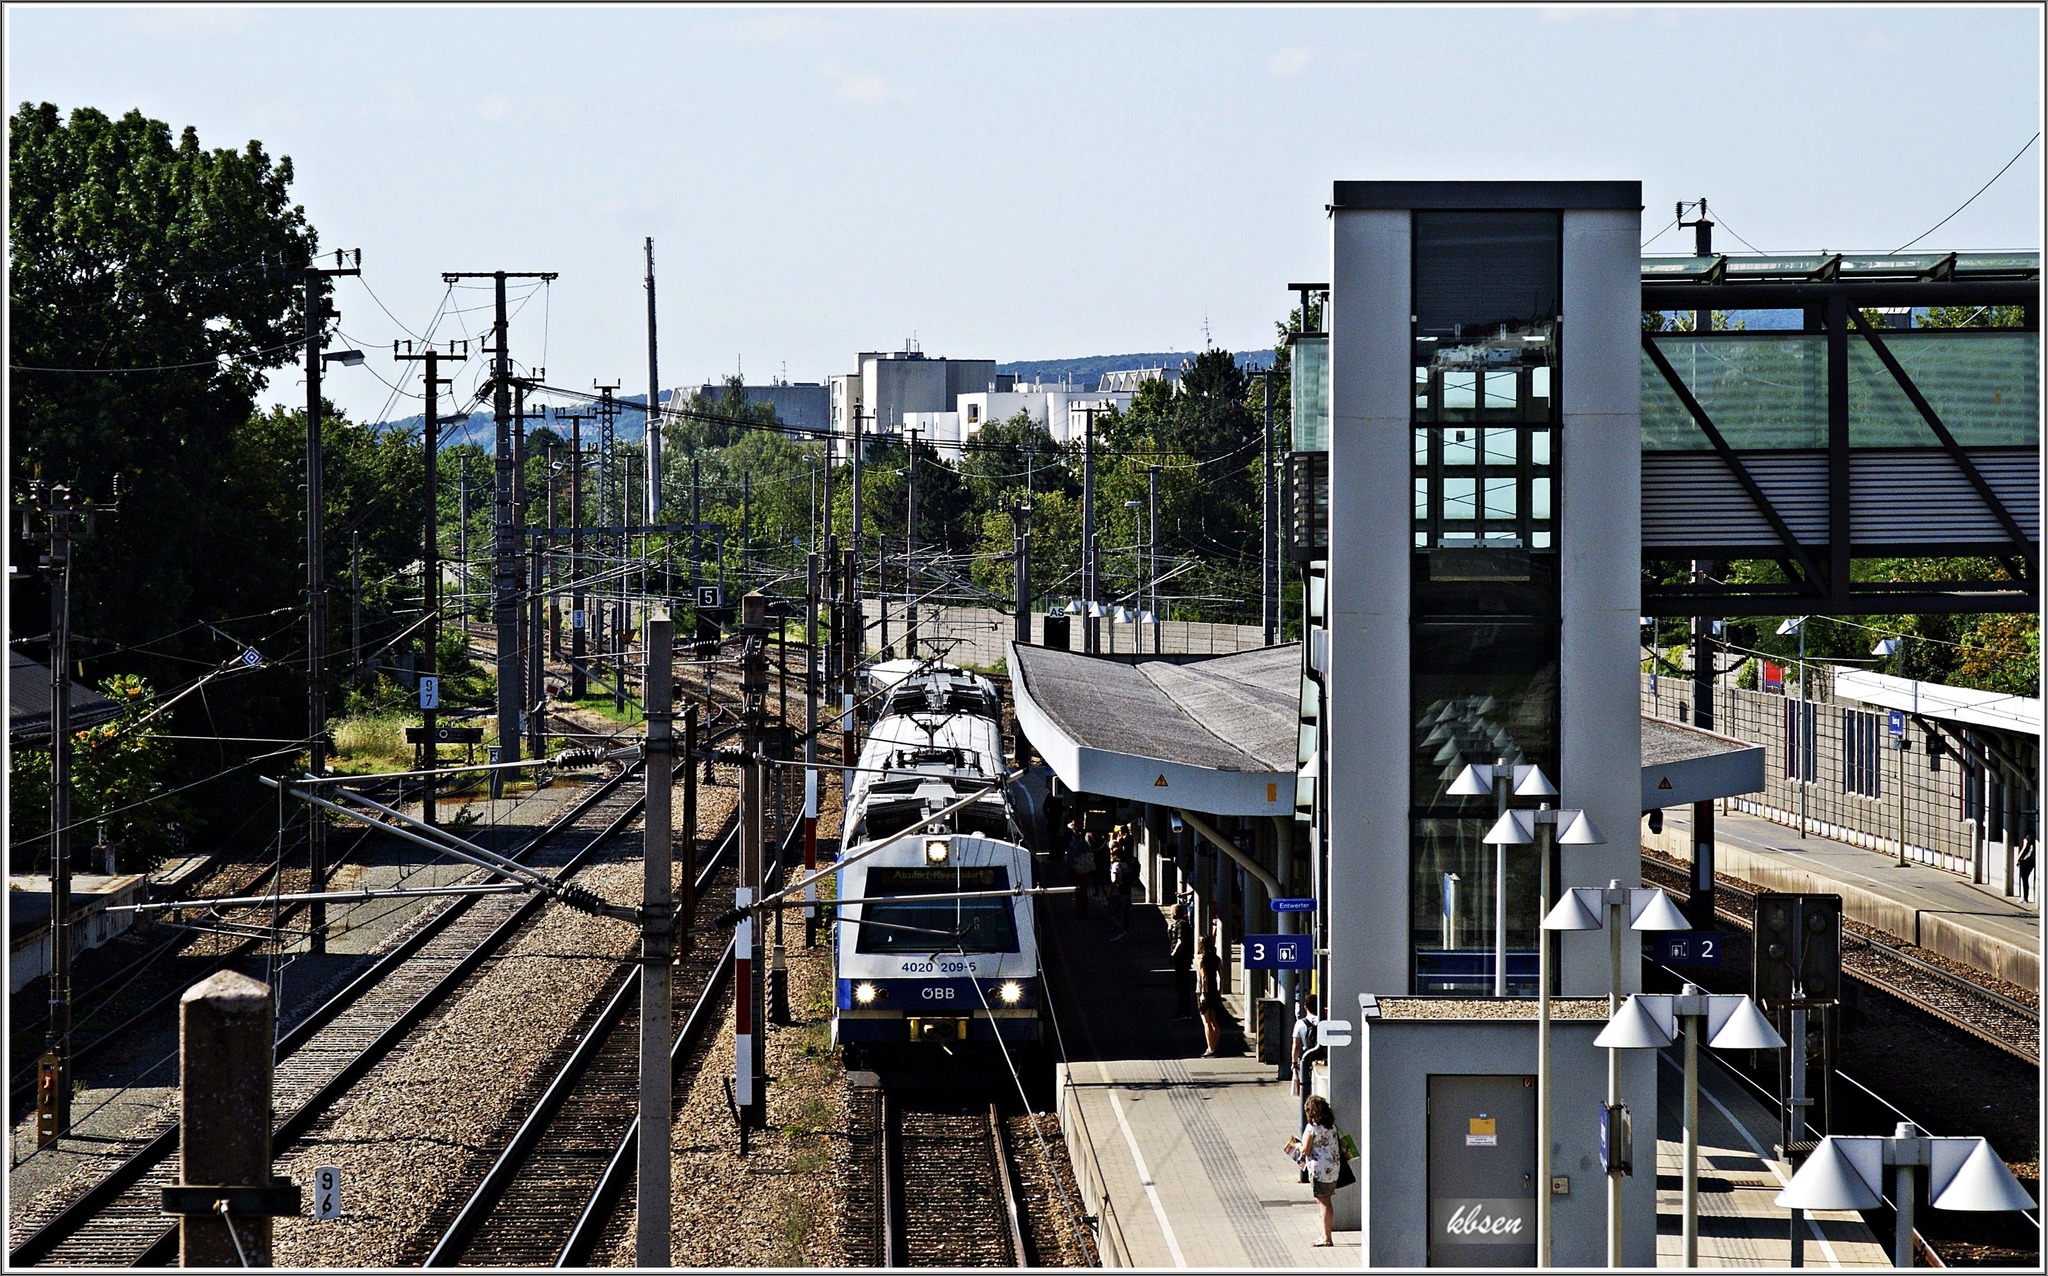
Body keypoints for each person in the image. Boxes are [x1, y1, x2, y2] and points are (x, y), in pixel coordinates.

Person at [1299, 1094, 1340, 1246]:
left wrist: (1296, 1146)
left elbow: (1304, 1150)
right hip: (1333, 1169)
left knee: (1323, 1203)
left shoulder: (1313, 1127)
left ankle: (1326, 1237)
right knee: (1327, 1201)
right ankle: (1325, 1235)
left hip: (1319, 1170)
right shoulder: (1331, 1126)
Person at [1197, 928, 1227, 1056]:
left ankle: (1210, 1048)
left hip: (1204, 991)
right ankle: (1216, 1046)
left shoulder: (1200, 959)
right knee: (1215, 1021)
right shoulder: (1216, 959)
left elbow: (1204, 976)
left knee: (1206, 1022)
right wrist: (1220, 991)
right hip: (1214, 991)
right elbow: (1222, 976)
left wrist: (1203, 993)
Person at [1167, 891, 1196, 1017]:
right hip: (1182, 959)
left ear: (1174, 913)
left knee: (1182, 986)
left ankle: (1184, 1011)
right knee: (1181, 985)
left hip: (1182, 959)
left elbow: (1180, 941)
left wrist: (1173, 954)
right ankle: (1183, 1010)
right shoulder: (1181, 925)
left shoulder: (1181, 926)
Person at [1106, 843, 1137, 940]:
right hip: (1126, 890)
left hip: (1117, 892)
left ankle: (1120, 930)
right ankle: (1123, 930)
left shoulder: (1116, 865)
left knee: (1112, 913)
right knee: (1122, 911)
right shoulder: (1126, 864)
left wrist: (1109, 892)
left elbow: (1114, 880)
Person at [1291, 994, 1319, 1096]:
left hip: (1306, 1058)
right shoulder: (1324, 1021)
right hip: (1322, 1059)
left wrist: (1294, 1063)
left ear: (1305, 1007)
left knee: (1305, 1086)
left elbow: (1296, 1046)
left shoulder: (1300, 1024)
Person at [1066, 821, 1094, 918]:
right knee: (1083, 891)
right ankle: (1083, 910)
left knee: (1078, 892)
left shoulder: (1074, 842)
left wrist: (1070, 869)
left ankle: (1081, 912)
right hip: (1084, 870)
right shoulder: (1084, 842)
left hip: (1077, 869)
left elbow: (1071, 857)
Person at [2018, 832, 2036, 903]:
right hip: (2031, 862)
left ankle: (2025, 897)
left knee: (2024, 878)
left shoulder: (2027, 840)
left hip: (2025, 861)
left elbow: (2024, 849)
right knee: (2025, 879)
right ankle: (2025, 897)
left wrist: (2018, 858)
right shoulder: (2034, 844)